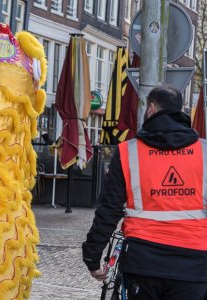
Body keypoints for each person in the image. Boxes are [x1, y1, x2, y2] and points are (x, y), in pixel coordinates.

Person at [82, 85, 207, 300]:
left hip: (142, 261)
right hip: (193, 264)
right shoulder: (204, 151)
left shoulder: (128, 152)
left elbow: (109, 209)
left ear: (150, 109)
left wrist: (92, 257)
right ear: (181, 110)